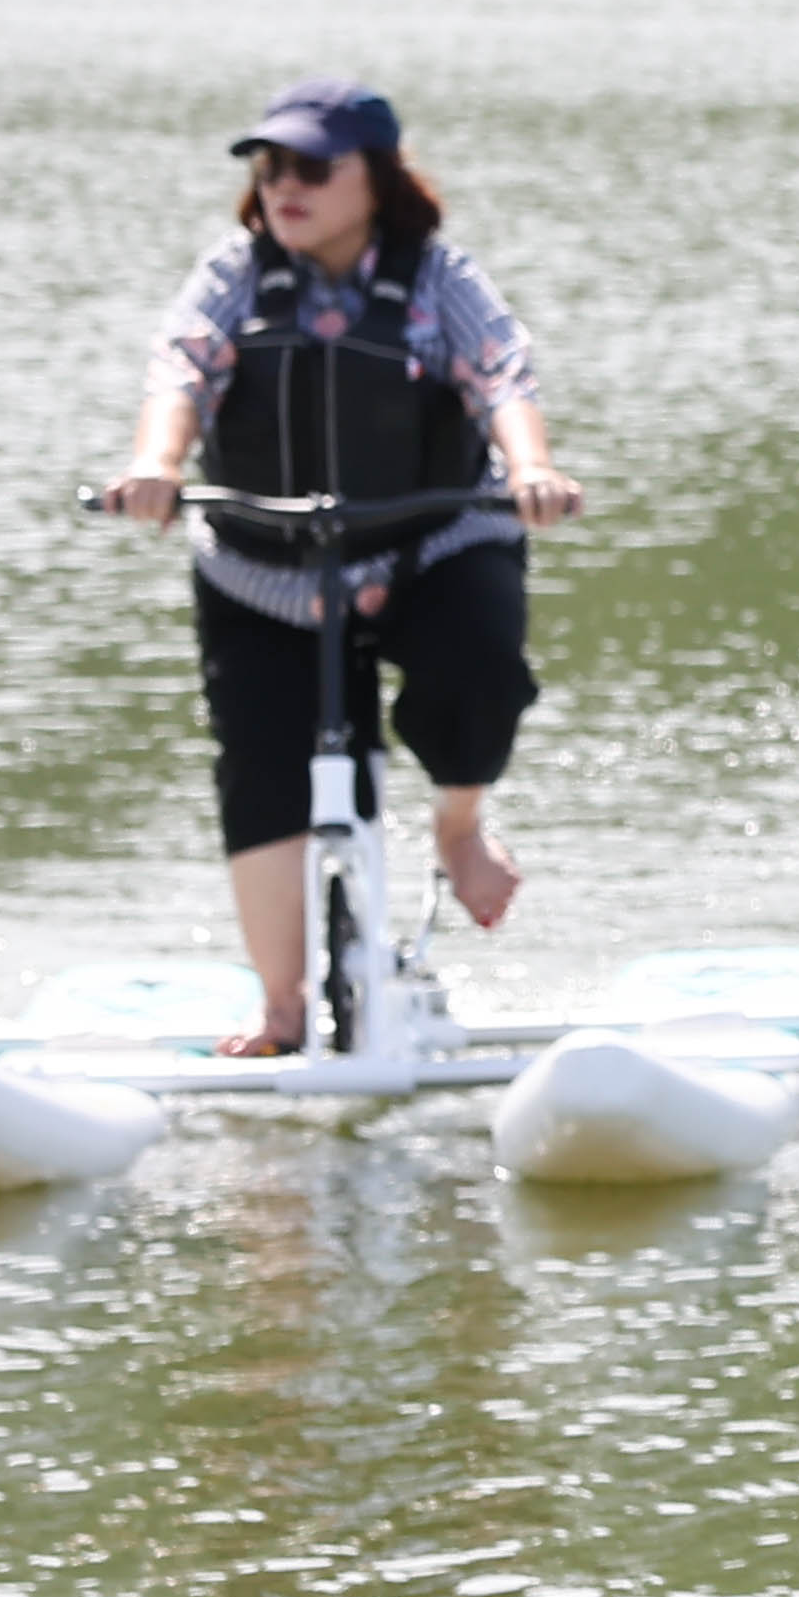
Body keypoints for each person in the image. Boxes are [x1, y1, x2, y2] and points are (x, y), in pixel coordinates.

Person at [102, 81, 578, 1051]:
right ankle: (280, 1008)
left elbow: (502, 374)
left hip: (429, 545)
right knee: (261, 768)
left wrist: (530, 467)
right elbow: (180, 369)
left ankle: (458, 826)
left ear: (378, 179)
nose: (287, 186)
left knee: (479, 672)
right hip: (264, 571)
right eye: (271, 166)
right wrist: (155, 463)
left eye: (314, 167)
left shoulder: (438, 276)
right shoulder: (236, 275)